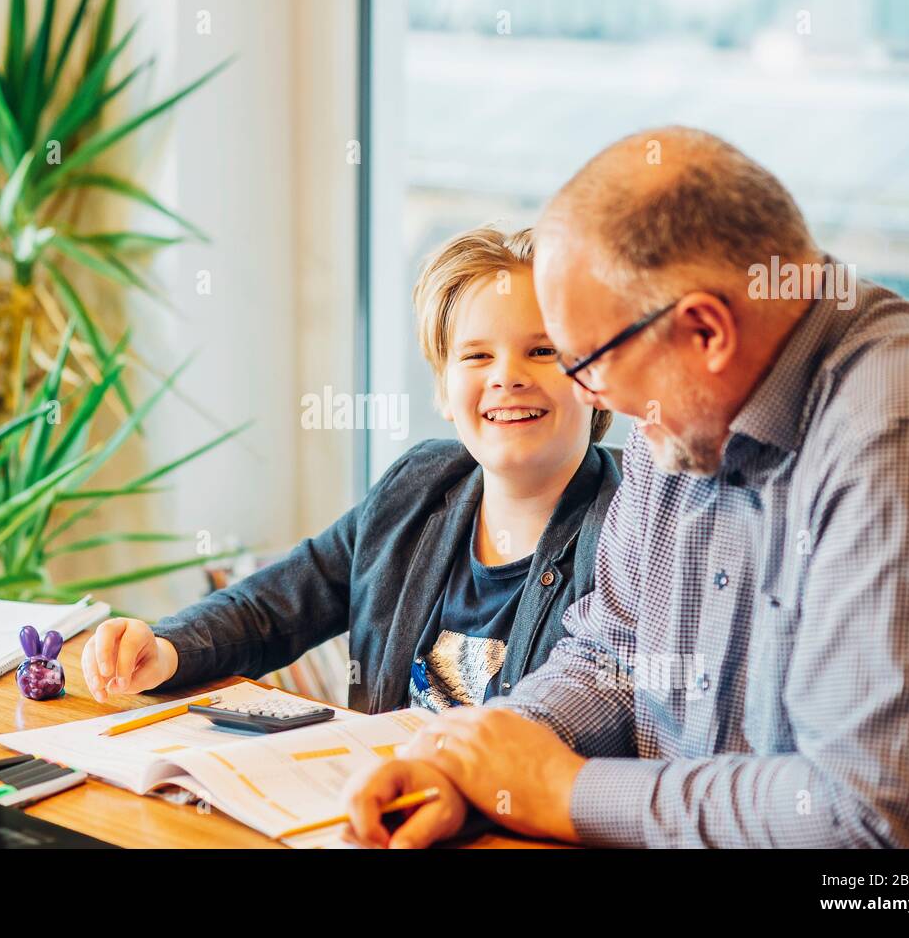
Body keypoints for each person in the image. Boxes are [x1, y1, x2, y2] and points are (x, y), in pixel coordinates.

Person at [343, 126, 909, 848]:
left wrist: (568, 791)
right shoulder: (681, 420)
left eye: (586, 362)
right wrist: (473, 765)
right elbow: (612, 653)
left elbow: (878, 816)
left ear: (705, 332)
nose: (588, 392)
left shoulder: (906, 428)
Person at [82, 227, 620, 714]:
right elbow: (276, 605)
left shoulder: (634, 531)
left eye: (543, 350)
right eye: (476, 356)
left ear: (595, 379)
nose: (507, 377)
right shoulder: (419, 484)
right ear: (443, 391)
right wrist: (167, 647)